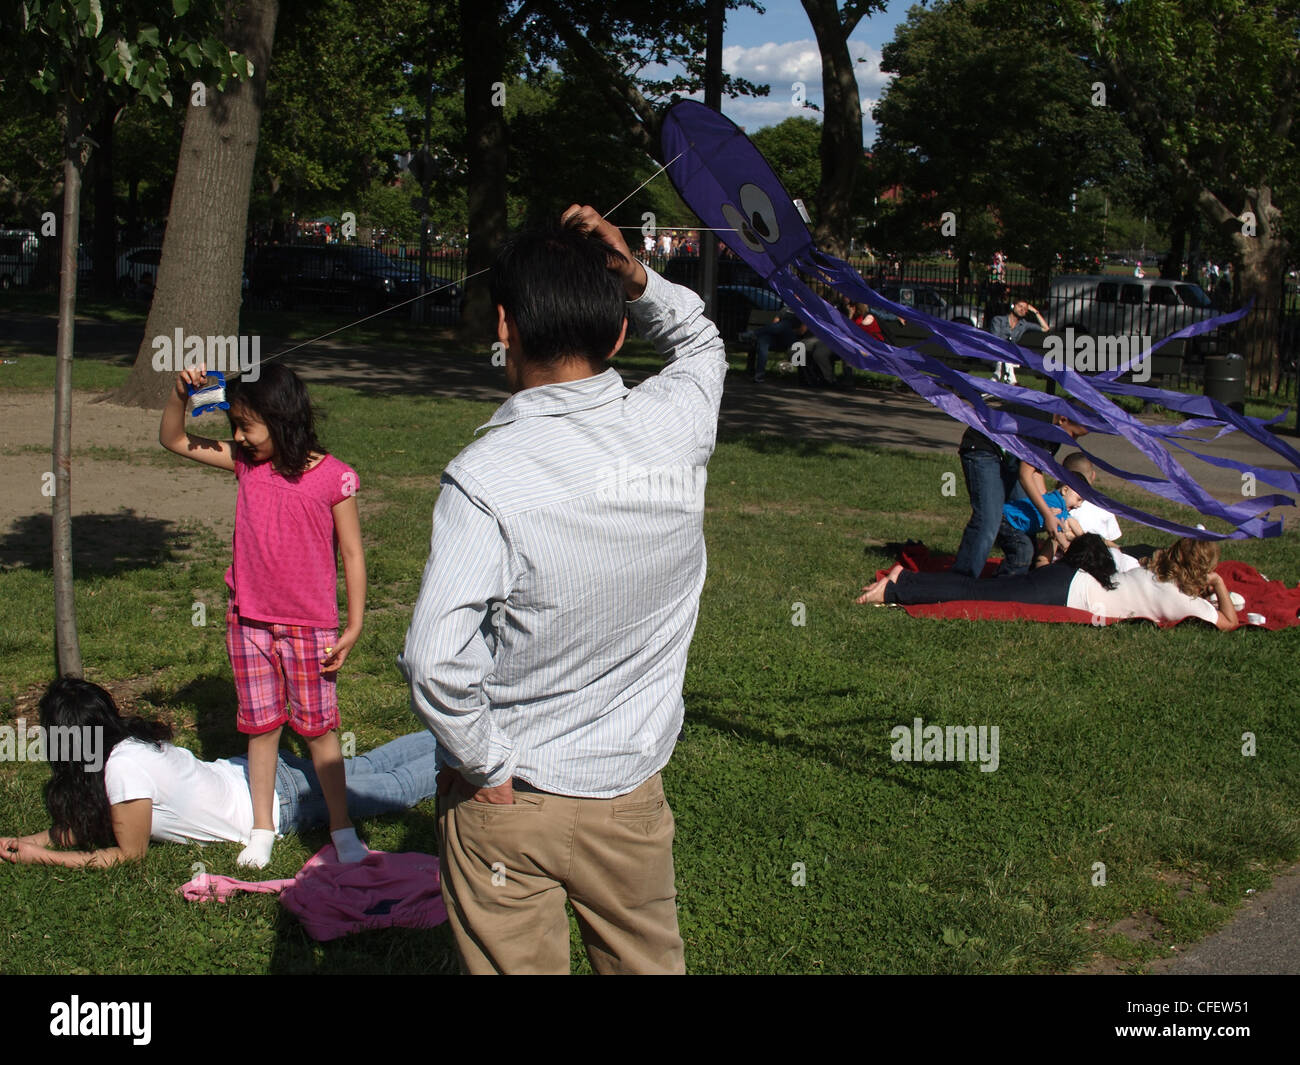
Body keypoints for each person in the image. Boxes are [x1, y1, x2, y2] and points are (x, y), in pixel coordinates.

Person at [398, 204, 723, 975]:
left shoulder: (484, 477)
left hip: (508, 802)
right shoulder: (676, 424)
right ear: (617, 334)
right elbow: (698, 339)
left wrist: (486, 766)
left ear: (503, 327)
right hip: (629, 798)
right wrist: (638, 275)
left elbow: (434, 661)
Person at [159, 363, 367, 869]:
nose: (236, 436)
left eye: (245, 425)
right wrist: (180, 393)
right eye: (234, 424)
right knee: (261, 727)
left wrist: (354, 625)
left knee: (318, 730)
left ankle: (342, 829)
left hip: (310, 629)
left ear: (281, 419)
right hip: (247, 622)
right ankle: (262, 829)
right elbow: (173, 439)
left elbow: (353, 555)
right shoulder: (246, 463)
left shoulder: (333, 478)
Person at [1, 678, 439, 868]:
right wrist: (28, 842)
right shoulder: (124, 748)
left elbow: (127, 855)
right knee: (365, 766)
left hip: (276, 805)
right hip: (256, 775)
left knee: (393, 790)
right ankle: (442, 732)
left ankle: (463, 753)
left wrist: (45, 855)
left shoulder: (121, 772)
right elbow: (92, 822)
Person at [858, 535, 1238, 630]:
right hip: (1066, 591)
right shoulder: (1184, 603)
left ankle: (906, 581)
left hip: (1071, 578)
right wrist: (1219, 585)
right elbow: (1229, 623)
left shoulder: (1157, 570)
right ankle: (899, 586)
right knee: (978, 594)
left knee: (983, 591)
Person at [952, 406, 1090, 580]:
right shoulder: (1042, 428)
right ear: (1062, 419)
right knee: (988, 520)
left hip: (1011, 460)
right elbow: (1025, 476)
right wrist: (1047, 514)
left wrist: (1048, 505)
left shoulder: (1054, 437)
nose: (1074, 440)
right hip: (983, 448)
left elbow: (1035, 471)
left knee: (1027, 516)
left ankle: (1016, 577)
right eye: (1074, 434)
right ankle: (961, 580)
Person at [989, 298, 1049, 385]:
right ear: (1012, 306)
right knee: (1006, 359)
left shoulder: (1023, 325)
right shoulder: (998, 320)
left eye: (1025, 309)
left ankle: (990, 389)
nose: (1022, 310)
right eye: (1020, 306)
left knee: (1004, 363)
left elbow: (1045, 328)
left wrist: (1035, 311)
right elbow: (994, 341)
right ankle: (1012, 382)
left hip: (1010, 358)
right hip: (993, 354)